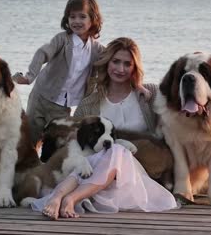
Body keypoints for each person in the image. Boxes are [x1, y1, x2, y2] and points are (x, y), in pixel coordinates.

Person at [31, 37, 176, 220]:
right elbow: (76, 144)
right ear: (107, 62)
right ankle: (59, 196)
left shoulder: (149, 94)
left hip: (134, 179)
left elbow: (177, 120)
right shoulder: (89, 104)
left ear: (135, 67)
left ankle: (69, 197)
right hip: (95, 182)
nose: (120, 69)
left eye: (127, 64)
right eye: (116, 62)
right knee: (105, 151)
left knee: (117, 149)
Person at [12, 0, 105, 146]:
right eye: (72, 17)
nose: (76, 21)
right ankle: (25, 167)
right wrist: (29, 76)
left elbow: (115, 58)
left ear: (92, 19)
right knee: (30, 139)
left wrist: (136, 85)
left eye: (82, 16)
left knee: (61, 143)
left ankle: (51, 167)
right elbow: (43, 53)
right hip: (40, 98)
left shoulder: (96, 49)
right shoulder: (62, 40)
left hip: (62, 107)